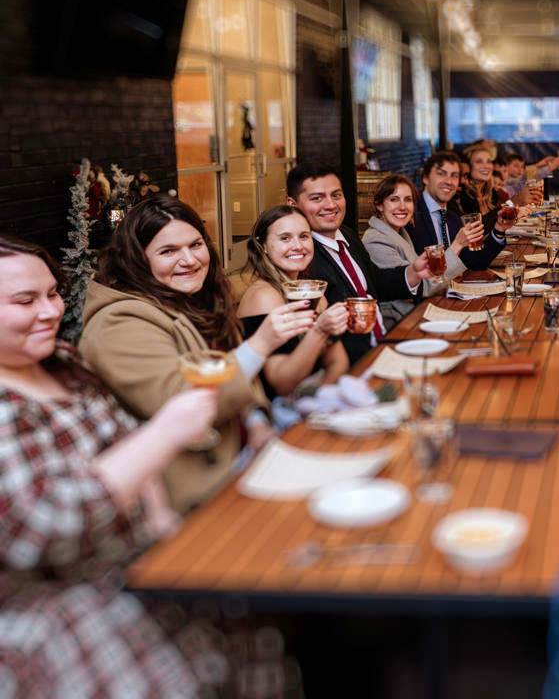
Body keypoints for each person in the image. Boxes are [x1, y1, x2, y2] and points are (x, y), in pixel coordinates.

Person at [0, 235, 251, 695]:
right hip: (59, 605)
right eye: (25, 300)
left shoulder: (63, 360)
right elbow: (43, 525)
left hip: (138, 561)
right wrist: (165, 433)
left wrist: (163, 525)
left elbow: (125, 441)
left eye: (53, 293)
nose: (50, 311)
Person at [80, 196, 306, 511]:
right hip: (195, 488)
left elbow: (237, 368)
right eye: (168, 251)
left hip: (247, 458)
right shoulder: (118, 323)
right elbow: (180, 401)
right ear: (137, 259)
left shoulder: (198, 296)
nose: (189, 260)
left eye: (195, 245)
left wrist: (256, 422)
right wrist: (261, 344)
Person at [285, 162, 432, 364]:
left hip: (384, 343)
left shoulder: (347, 235)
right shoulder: (301, 258)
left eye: (336, 195)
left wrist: (412, 273)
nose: (331, 205)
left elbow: (375, 283)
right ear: (293, 204)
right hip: (354, 362)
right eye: (317, 198)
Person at [237, 205, 351, 398]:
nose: (298, 246)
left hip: (310, 403)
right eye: (285, 238)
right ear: (262, 245)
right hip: (275, 414)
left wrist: (320, 398)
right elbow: (282, 385)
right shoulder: (264, 295)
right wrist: (320, 331)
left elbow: (339, 362)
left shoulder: (312, 291)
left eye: (304, 236)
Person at [363, 173, 469, 297]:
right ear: (379, 205)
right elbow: (420, 288)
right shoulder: (376, 240)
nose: (402, 207)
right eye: (394, 199)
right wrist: (457, 245)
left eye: (408, 200)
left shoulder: (401, 232)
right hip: (401, 314)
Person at [411, 150, 514, 273]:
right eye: (441, 174)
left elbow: (474, 263)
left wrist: (499, 230)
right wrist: (458, 244)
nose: (449, 181)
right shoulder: (411, 215)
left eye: (454, 176)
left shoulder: (452, 218)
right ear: (426, 178)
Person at [452, 142, 504, 227]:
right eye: (479, 162)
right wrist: (513, 203)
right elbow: (477, 227)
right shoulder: (463, 194)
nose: (486, 166)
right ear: (469, 167)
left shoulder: (491, 192)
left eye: (489, 161)